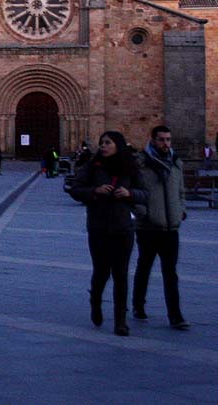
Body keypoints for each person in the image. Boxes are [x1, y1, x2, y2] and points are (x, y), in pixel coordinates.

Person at [70, 131, 146, 336]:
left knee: (121, 275)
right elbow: (75, 189)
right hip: (99, 227)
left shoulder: (130, 168)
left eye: (107, 143)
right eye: (101, 143)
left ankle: (120, 321)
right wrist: (94, 191)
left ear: (117, 145)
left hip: (123, 228)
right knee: (101, 272)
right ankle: (95, 301)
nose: (103, 146)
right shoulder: (92, 166)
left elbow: (145, 194)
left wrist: (130, 194)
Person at [132, 125, 190, 330]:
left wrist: (180, 209)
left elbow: (181, 191)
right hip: (148, 226)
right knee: (144, 267)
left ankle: (175, 315)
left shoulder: (176, 163)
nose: (166, 144)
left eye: (168, 140)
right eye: (162, 140)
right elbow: (134, 191)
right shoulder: (140, 163)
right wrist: (142, 213)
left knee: (170, 272)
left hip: (171, 227)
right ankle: (138, 305)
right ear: (152, 140)